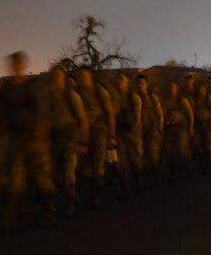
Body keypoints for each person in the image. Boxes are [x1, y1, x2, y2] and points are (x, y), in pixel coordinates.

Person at [0, 51, 54, 228]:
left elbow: (43, 114)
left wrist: (39, 138)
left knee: (42, 179)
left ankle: (48, 212)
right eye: (12, 64)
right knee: (14, 181)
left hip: (33, 137)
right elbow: (2, 114)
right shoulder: (6, 89)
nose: (14, 67)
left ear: (23, 65)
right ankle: (9, 218)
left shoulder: (33, 87)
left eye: (17, 64)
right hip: (15, 138)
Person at [47, 65, 88, 217]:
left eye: (57, 74)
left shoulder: (71, 95)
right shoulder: (49, 96)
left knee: (68, 174)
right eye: (52, 75)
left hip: (70, 137)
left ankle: (70, 203)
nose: (54, 78)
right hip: (54, 138)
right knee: (53, 174)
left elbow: (83, 120)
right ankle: (52, 207)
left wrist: (83, 142)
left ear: (63, 76)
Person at [73, 67, 114, 210]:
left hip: (98, 132)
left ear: (89, 76)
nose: (80, 78)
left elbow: (109, 113)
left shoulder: (99, 92)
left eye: (83, 75)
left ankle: (95, 197)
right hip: (82, 134)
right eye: (79, 76)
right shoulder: (75, 92)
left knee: (97, 169)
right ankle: (79, 196)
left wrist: (111, 135)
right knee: (81, 169)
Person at [113, 71, 143, 195]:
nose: (119, 81)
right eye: (118, 79)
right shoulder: (114, 96)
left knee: (135, 159)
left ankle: (138, 184)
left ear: (127, 81)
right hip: (119, 131)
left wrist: (134, 129)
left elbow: (137, 114)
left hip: (131, 131)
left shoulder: (133, 96)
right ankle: (124, 188)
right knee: (121, 161)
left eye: (121, 79)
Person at [162, 80, 193, 180]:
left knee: (181, 150)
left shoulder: (181, 100)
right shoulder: (165, 100)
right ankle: (173, 172)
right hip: (169, 128)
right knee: (169, 151)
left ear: (177, 88)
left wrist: (190, 128)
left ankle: (184, 171)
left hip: (180, 127)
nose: (170, 88)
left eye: (172, 87)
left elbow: (190, 114)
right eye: (169, 86)